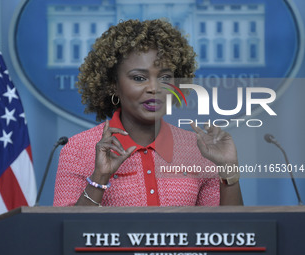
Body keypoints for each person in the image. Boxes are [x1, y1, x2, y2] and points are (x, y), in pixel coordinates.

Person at [53, 19, 243, 207]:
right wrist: (100, 177)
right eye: (139, 78)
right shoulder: (77, 149)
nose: (154, 88)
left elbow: (229, 233)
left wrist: (229, 171)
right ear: (113, 85)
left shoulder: (199, 149)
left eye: (165, 77)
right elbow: (67, 234)